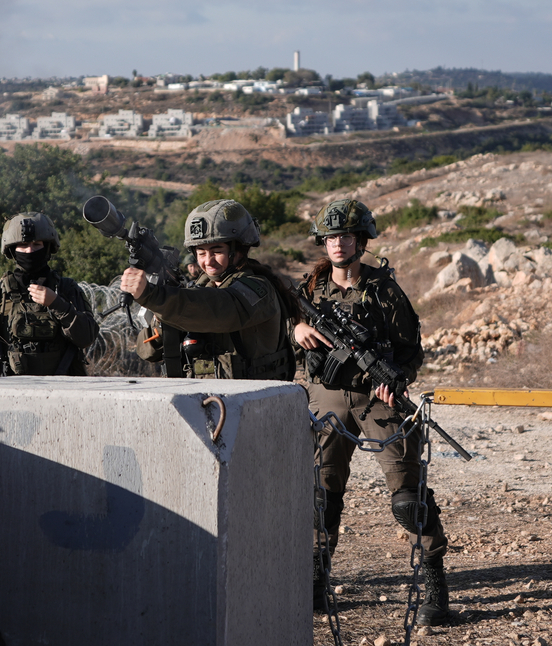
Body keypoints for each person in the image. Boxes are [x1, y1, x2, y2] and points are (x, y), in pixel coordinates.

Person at [293, 198, 454, 625]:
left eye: (346, 236)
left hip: (377, 399)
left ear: (361, 240)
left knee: (407, 498)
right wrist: (298, 329)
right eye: (330, 237)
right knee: (320, 495)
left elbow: (410, 351)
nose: (338, 244)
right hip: (326, 396)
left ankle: (435, 583)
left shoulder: (384, 289)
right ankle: (314, 580)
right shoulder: (311, 289)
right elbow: (283, 327)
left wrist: (395, 379)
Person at [119, 199, 296, 380]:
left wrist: (154, 297)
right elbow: (147, 351)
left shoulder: (259, 289)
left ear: (240, 249)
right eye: (201, 253)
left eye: (217, 251)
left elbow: (219, 308)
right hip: (207, 400)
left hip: (255, 402)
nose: (208, 261)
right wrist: (161, 319)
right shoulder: (198, 289)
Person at [0, 212, 99, 376]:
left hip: (62, 389)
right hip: (10, 389)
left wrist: (57, 304)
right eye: (23, 245)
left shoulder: (66, 289)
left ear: (48, 247)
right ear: (12, 250)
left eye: (37, 244)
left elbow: (87, 337)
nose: (30, 251)